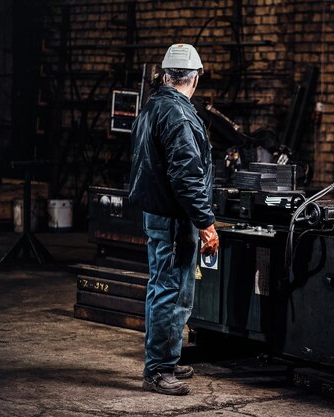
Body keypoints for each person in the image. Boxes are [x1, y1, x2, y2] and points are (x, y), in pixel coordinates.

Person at [128, 43, 219, 396]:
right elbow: (186, 176)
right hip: (174, 216)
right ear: (194, 78)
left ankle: (168, 354)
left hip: (160, 211)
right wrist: (206, 222)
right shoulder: (179, 115)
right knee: (169, 291)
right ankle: (158, 370)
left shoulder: (154, 105)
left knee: (172, 290)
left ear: (167, 76)